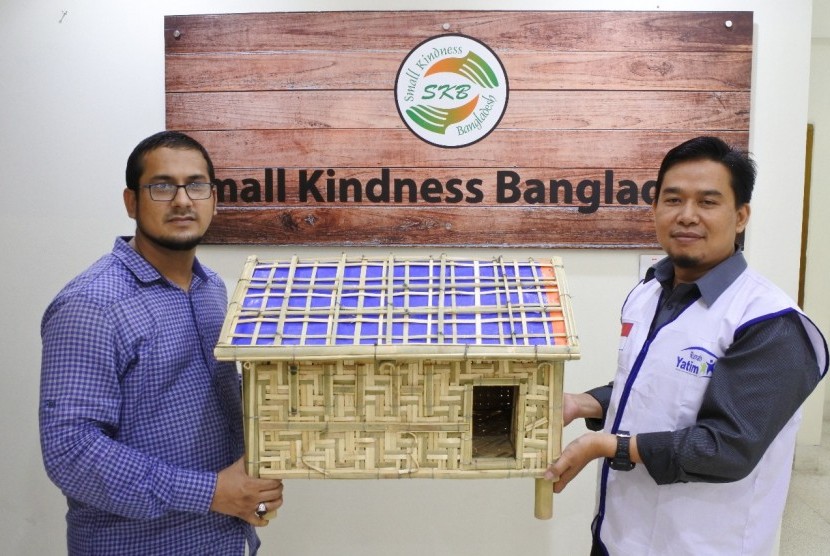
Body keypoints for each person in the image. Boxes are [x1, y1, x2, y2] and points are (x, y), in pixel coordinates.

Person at [545, 136, 828, 555]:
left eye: (708, 202)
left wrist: (606, 445)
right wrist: (584, 403)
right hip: (619, 531)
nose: (687, 216)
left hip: (704, 543)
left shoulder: (770, 323)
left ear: (741, 216)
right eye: (673, 199)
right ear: (655, 208)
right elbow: (655, 386)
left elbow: (728, 446)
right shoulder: (647, 294)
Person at [39, 131, 283, 555]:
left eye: (197, 184)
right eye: (162, 186)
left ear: (213, 197)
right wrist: (211, 492)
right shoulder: (92, 304)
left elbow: (218, 410)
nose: (183, 200)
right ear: (131, 202)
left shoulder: (212, 292)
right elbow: (70, 451)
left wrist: (248, 485)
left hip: (223, 540)